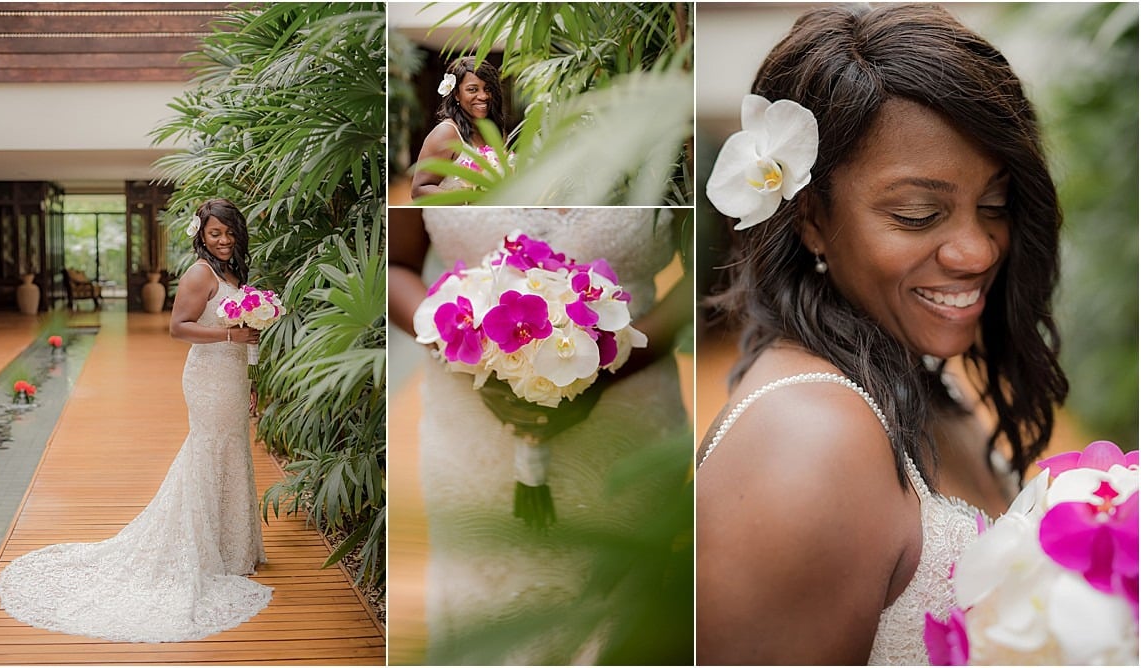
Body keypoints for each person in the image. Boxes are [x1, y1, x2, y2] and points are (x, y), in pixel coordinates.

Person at [695, 4, 1068, 665]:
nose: (977, 251)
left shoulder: (912, 376)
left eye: (995, 206)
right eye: (919, 214)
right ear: (809, 218)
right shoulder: (807, 444)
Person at [388, 207, 693, 663]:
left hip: (626, 417)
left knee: (617, 616)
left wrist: (603, 370)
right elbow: (396, 264)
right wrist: (463, 346)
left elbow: (706, 272)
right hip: (469, 426)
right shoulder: (433, 139)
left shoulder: (673, 147)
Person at [0, 198, 271, 642]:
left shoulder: (234, 275)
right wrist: (228, 334)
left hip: (234, 375)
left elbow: (244, 334)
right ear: (200, 235)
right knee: (208, 451)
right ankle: (202, 551)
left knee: (232, 450)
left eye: (229, 232)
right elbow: (178, 327)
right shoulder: (200, 273)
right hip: (207, 378)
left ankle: (231, 548)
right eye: (214, 233)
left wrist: (251, 369)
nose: (223, 241)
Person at [410, 56, 508, 200]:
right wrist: (469, 199)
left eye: (487, 89)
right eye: (473, 89)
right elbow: (419, 190)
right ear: (456, 94)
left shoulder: (492, 130)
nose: (483, 96)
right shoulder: (447, 132)